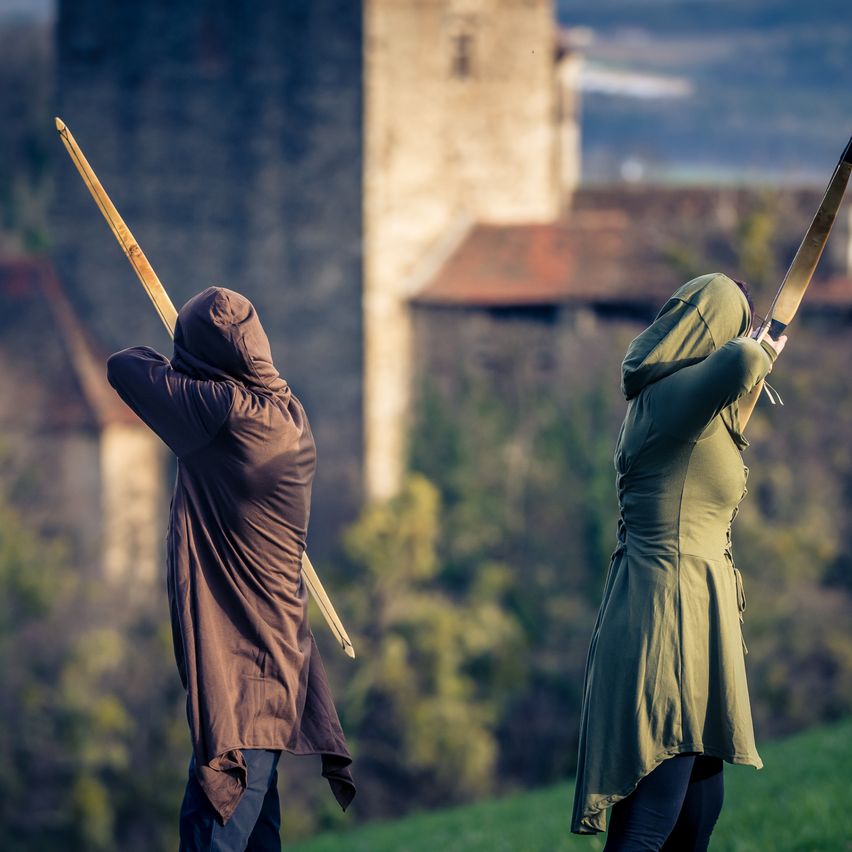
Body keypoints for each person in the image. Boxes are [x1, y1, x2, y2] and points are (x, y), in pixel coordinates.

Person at [107, 286, 355, 851]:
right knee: (256, 835)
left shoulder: (222, 416)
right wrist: (197, 367)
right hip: (274, 663)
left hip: (246, 680)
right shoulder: (286, 410)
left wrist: (183, 366)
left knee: (212, 833)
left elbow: (124, 366)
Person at [570, 273, 785, 850]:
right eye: (735, 323)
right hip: (669, 618)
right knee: (649, 822)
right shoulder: (668, 402)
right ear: (713, 328)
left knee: (697, 813)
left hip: (692, 611)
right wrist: (762, 342)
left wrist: (755, 351)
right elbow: (742, 361)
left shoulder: (690, 409)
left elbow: (737, 371)